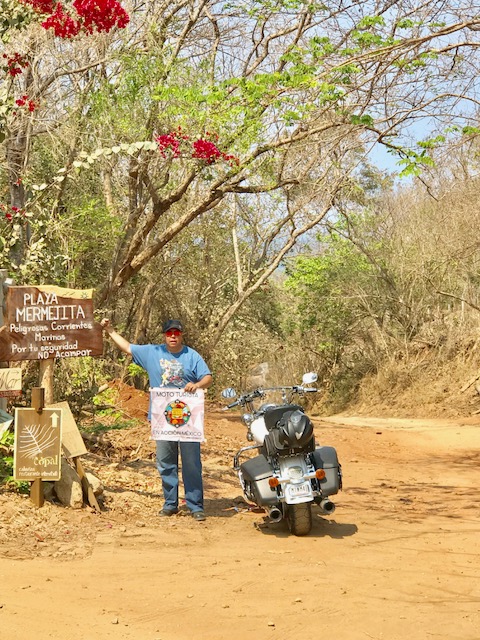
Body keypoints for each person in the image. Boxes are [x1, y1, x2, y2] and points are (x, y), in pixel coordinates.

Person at [100, 318, 213, 521]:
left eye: (176, 333)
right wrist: (109, 330)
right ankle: (170, 503)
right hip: (163, 419)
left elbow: (207, 377)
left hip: (188, 419)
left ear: (181, 335)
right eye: (169, 333)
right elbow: (127, 347)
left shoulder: (192, 355)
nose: (172, 336)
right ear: (164, 335)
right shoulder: (153, 352)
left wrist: (197, 384)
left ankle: (195, 505)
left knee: (191, 463)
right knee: (165, 461)